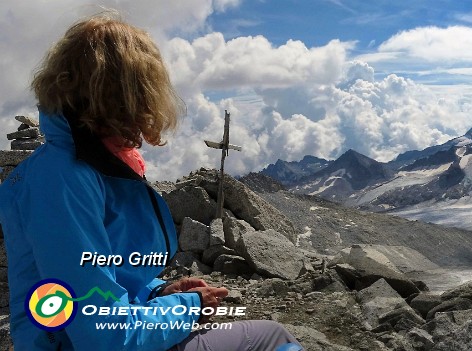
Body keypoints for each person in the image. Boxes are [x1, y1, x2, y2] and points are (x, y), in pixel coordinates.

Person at [0, 13, 300, 351]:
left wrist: (156, 291)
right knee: (274, 338)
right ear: (127, 95)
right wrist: (189, 308)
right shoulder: (66, 181)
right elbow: (106, 336)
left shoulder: (72, 167)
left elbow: (95, 277)